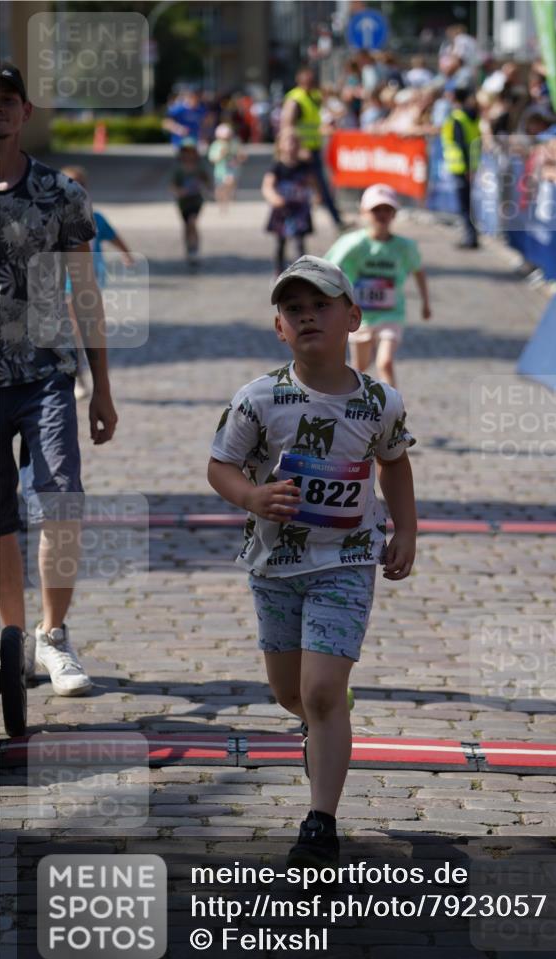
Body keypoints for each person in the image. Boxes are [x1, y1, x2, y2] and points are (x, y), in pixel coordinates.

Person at [207, 255, 417, 868]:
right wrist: (250, 495)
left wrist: (406, 529)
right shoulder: (258, 398)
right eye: (293, 310)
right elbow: (220, 464)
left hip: (347, 561)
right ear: (279, 328)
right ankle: (321, 722)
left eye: (320, 305)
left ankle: (320, 821)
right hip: (274, 566)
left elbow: (394, 462)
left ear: (353, 317)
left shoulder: (381, 402)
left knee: (323, 690)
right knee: (289, 692)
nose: (306, 317)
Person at [0, 64, 118, 695]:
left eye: (7, 100)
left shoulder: (59, 193)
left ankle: (53, 636)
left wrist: (101, 383)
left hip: (46, 373)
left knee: (61, 502)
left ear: (25, 110)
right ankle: (11, 646)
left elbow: (87, 291)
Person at [325, 184, 431, 388]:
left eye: (387, 210)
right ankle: (353, 409)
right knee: (359, 368)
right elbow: (327, 267)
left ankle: (394, 414)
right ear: (364, 212)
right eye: (376, 210)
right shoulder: (352, 243)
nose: (381, 215)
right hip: (359, 316)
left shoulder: (405, 247)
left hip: (392, 314)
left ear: (394, 214)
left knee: (385, 363)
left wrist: (425, 303)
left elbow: (418, 271)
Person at [61, 166, 134, 400]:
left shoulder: (96, 217)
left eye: (80, 183)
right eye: (70, 183)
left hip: (92, 284)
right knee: (74, 333)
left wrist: (127, 255)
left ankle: (86, 375)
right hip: (65, 285)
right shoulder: (53, 217)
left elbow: (114, 237)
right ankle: (78, 377)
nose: (76, 188)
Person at [280, 66, 345, 230]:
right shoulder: (295, 100)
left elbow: (326, 114)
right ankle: (287, 223)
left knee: (321, 187)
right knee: (295, 189)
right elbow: (286, 126)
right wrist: (296, 150)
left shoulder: (314, 97)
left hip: (313, 150)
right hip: (299, 152)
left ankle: (336, 220)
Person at [261, 129, 316, 275]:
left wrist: (316, 196)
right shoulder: (277, 167)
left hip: (299, 210)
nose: (291, 145)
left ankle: (303, 272)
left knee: (299, 242)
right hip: (283, 210)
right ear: (280, 145)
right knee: (280, 242)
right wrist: (274, 197)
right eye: (288, 141)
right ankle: (278, 271)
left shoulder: (304, 166)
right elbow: (267, 186)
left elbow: (312, 182)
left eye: (294, 141)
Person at [442, 86, 481, 248]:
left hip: (461, 167)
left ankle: (470, 238)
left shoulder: (457, 117)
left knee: (464, 205)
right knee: (468, 204)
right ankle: (471, 236)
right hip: (470, 166)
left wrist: (466, 169)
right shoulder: (471, 116)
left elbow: (462, 144)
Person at [170, 140, 212, 268]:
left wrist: (205, 186)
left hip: (196, 199)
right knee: (186, 225)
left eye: (191, 151)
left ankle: (195, 249)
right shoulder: (178, 168)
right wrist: (179, 192)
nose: (189, 154)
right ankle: (188, 247)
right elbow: (172, 185)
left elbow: (208, 180)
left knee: (192, 222)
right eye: (186, 152)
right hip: (183, 202)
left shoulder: (200, 166)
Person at [208, 123, 245, 209]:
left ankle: (227, 199)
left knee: (230, 182)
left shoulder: (234, 143)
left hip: (232, 170)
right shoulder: (216, 145)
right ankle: (221, 201)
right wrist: (222, 154)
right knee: (219, 188)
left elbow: (241, 155)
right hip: (220, 170)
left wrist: (239, 158)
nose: (226, 140)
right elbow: (212, 160)